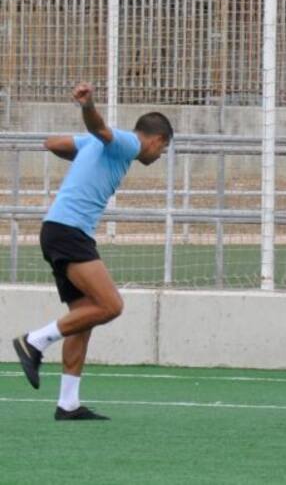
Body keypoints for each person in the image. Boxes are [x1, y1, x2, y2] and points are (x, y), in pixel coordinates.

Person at [11, 82, 173, 421]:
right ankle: (36, 341)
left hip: (59, 230)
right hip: (69, 231)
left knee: (82, 318)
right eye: (162, 150)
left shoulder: (96, 146)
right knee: (111, 305)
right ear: (156, 140)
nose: (158, 157)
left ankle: (68, 403)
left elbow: (52, 143)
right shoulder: (129, 143)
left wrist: (84, 150)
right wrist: (88, 107)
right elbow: (99, 126)